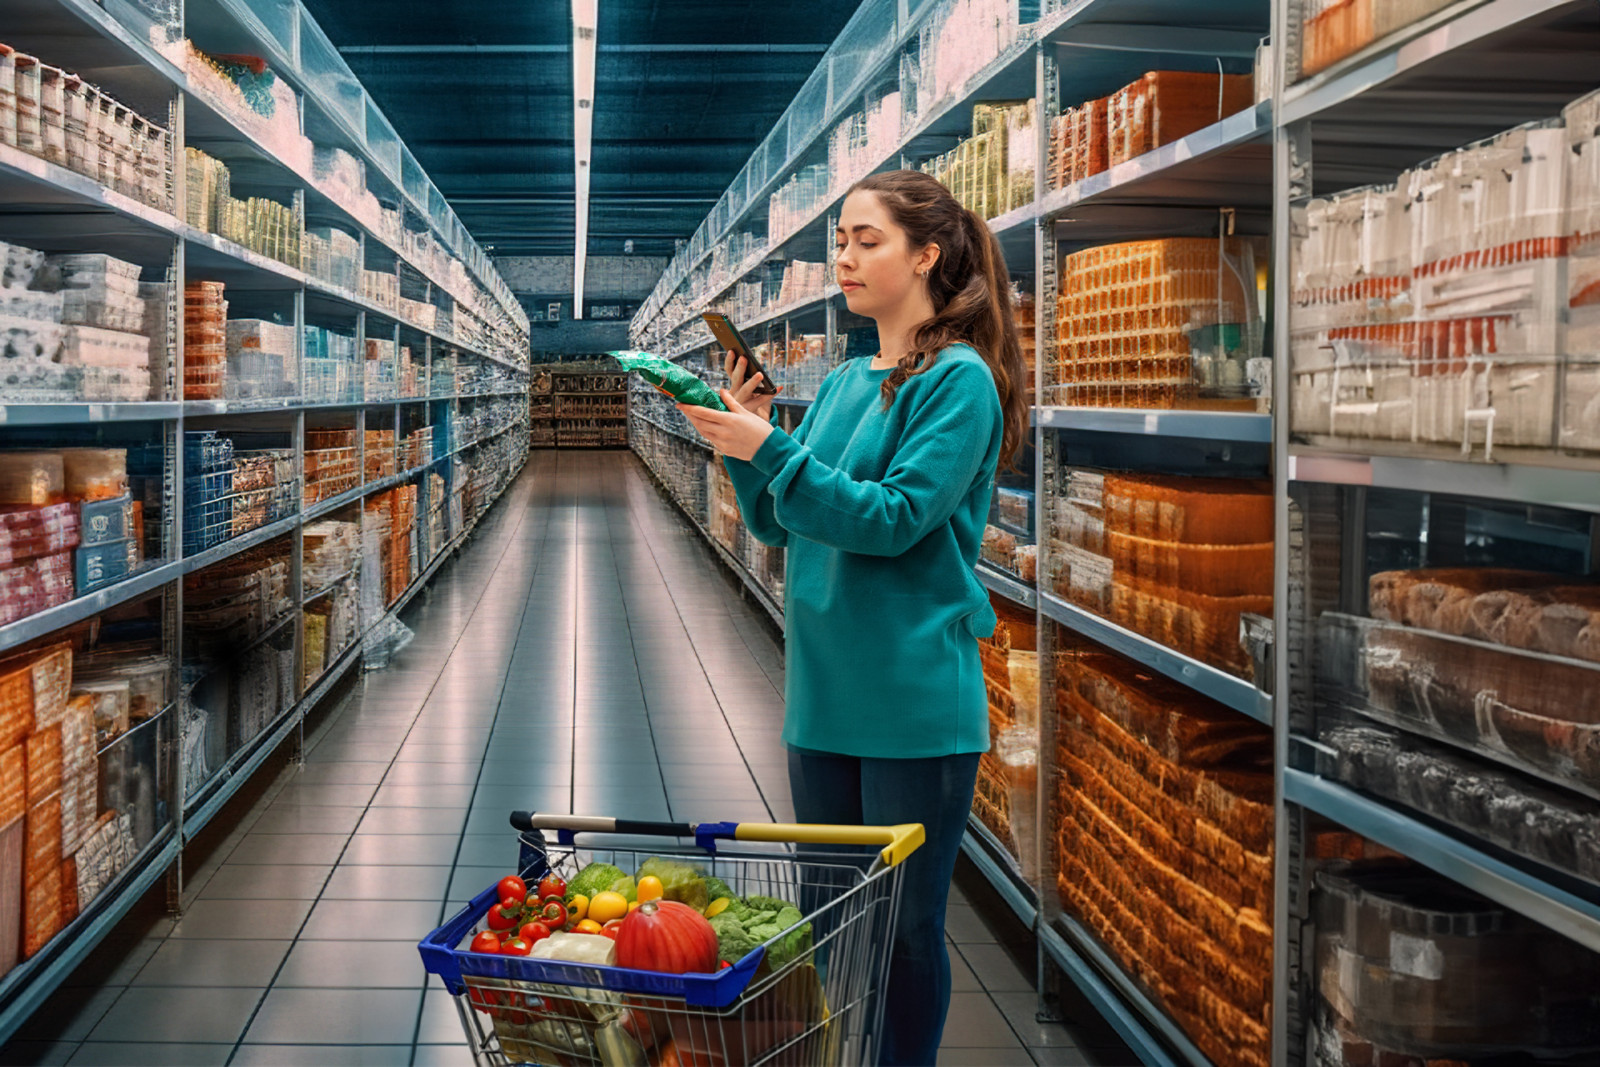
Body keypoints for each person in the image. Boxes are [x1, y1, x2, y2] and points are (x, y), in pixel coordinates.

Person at [676, 169, 1029, 1065]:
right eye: (840, 240)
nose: (845, 257)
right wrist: (746, 441)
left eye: (867, 239)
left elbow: (892, 517)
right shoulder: (839, 383)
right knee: (834, 919)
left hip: (912, 701)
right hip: (824, 694)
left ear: (927, 254)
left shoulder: (958, 383)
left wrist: (776, 451)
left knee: (906, 929)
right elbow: (779, 520)